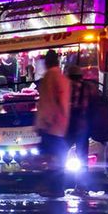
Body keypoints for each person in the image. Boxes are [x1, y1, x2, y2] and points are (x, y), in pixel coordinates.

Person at [35, 49, 71, 198]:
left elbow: (47, 102)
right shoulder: (63, 78)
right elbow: (63, 103)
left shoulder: (50, 77)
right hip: (61, 125)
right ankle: (57, 188)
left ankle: (53, 188)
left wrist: (43, 123)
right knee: (57, 158)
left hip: (50, 125)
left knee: (51, 159)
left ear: (48, 62)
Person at [66, 65, 98, 196]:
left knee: (61, 153)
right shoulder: (88, 87)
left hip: (70, 125)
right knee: (83, 157)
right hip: (84, 126)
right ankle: (81, 187)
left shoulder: (68, 86)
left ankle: (58, 184)